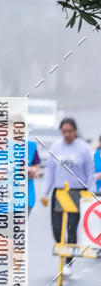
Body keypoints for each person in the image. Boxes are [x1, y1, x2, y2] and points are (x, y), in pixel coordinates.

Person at [41, 117, 94, 276]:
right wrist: (45, 192)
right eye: (64, 131)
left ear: (75, 131)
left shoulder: (84, 149)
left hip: (76, 192)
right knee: (57, 228)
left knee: (71, 227)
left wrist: (90, 193)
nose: (67, 134)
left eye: (70, 131)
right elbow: (50, 171)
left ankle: (68, 261)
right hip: (59, 192)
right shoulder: (56, 147)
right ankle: (63, 251)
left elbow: (90, 172)